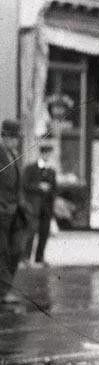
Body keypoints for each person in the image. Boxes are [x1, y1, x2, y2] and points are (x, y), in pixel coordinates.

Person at [0, 120, 29, 304]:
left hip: (15, 212)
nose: (17, 142)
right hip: (1, 211)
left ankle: (4, 289)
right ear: (6, 137)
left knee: (17, 249)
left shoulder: (14, 154)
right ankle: (3, 292)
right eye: (14, 138)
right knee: (2, 252)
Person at [23, 141, 57, 266]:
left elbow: (54, 189)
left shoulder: (51, 171)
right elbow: (25, 185)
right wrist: (39, 187)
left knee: (44, 233)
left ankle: (40, 257)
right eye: (46, 153)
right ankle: (26, 258)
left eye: (49, 154)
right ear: (41, 153)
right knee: (31, 232)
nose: (47, 156)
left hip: (46, 207)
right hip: (34, 206)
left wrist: (52, 208)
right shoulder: (31, 168)